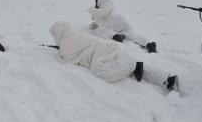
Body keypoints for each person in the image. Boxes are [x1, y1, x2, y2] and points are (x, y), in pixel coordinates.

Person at [49, 21, 180, 93]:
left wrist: (60, 52)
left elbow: (65, 57)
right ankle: (167, 78)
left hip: (101, 53)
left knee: (98, 71)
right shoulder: (73, 34)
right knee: (132, 66)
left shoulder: (67, 40)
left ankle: (133, 66)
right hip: (107, 46)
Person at [88, 0, 157, 53]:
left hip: (115, 21)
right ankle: (149, 44)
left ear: (100, 0)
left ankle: (115, 36)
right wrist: (93, 24)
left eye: (96, 2)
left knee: (98, 31)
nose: (95, 3)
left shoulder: (106, 3)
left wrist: (91, 9)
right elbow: (102, 20)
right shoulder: (107, 6)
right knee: (132, 35)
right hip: (119, 22)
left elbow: (103, 13)